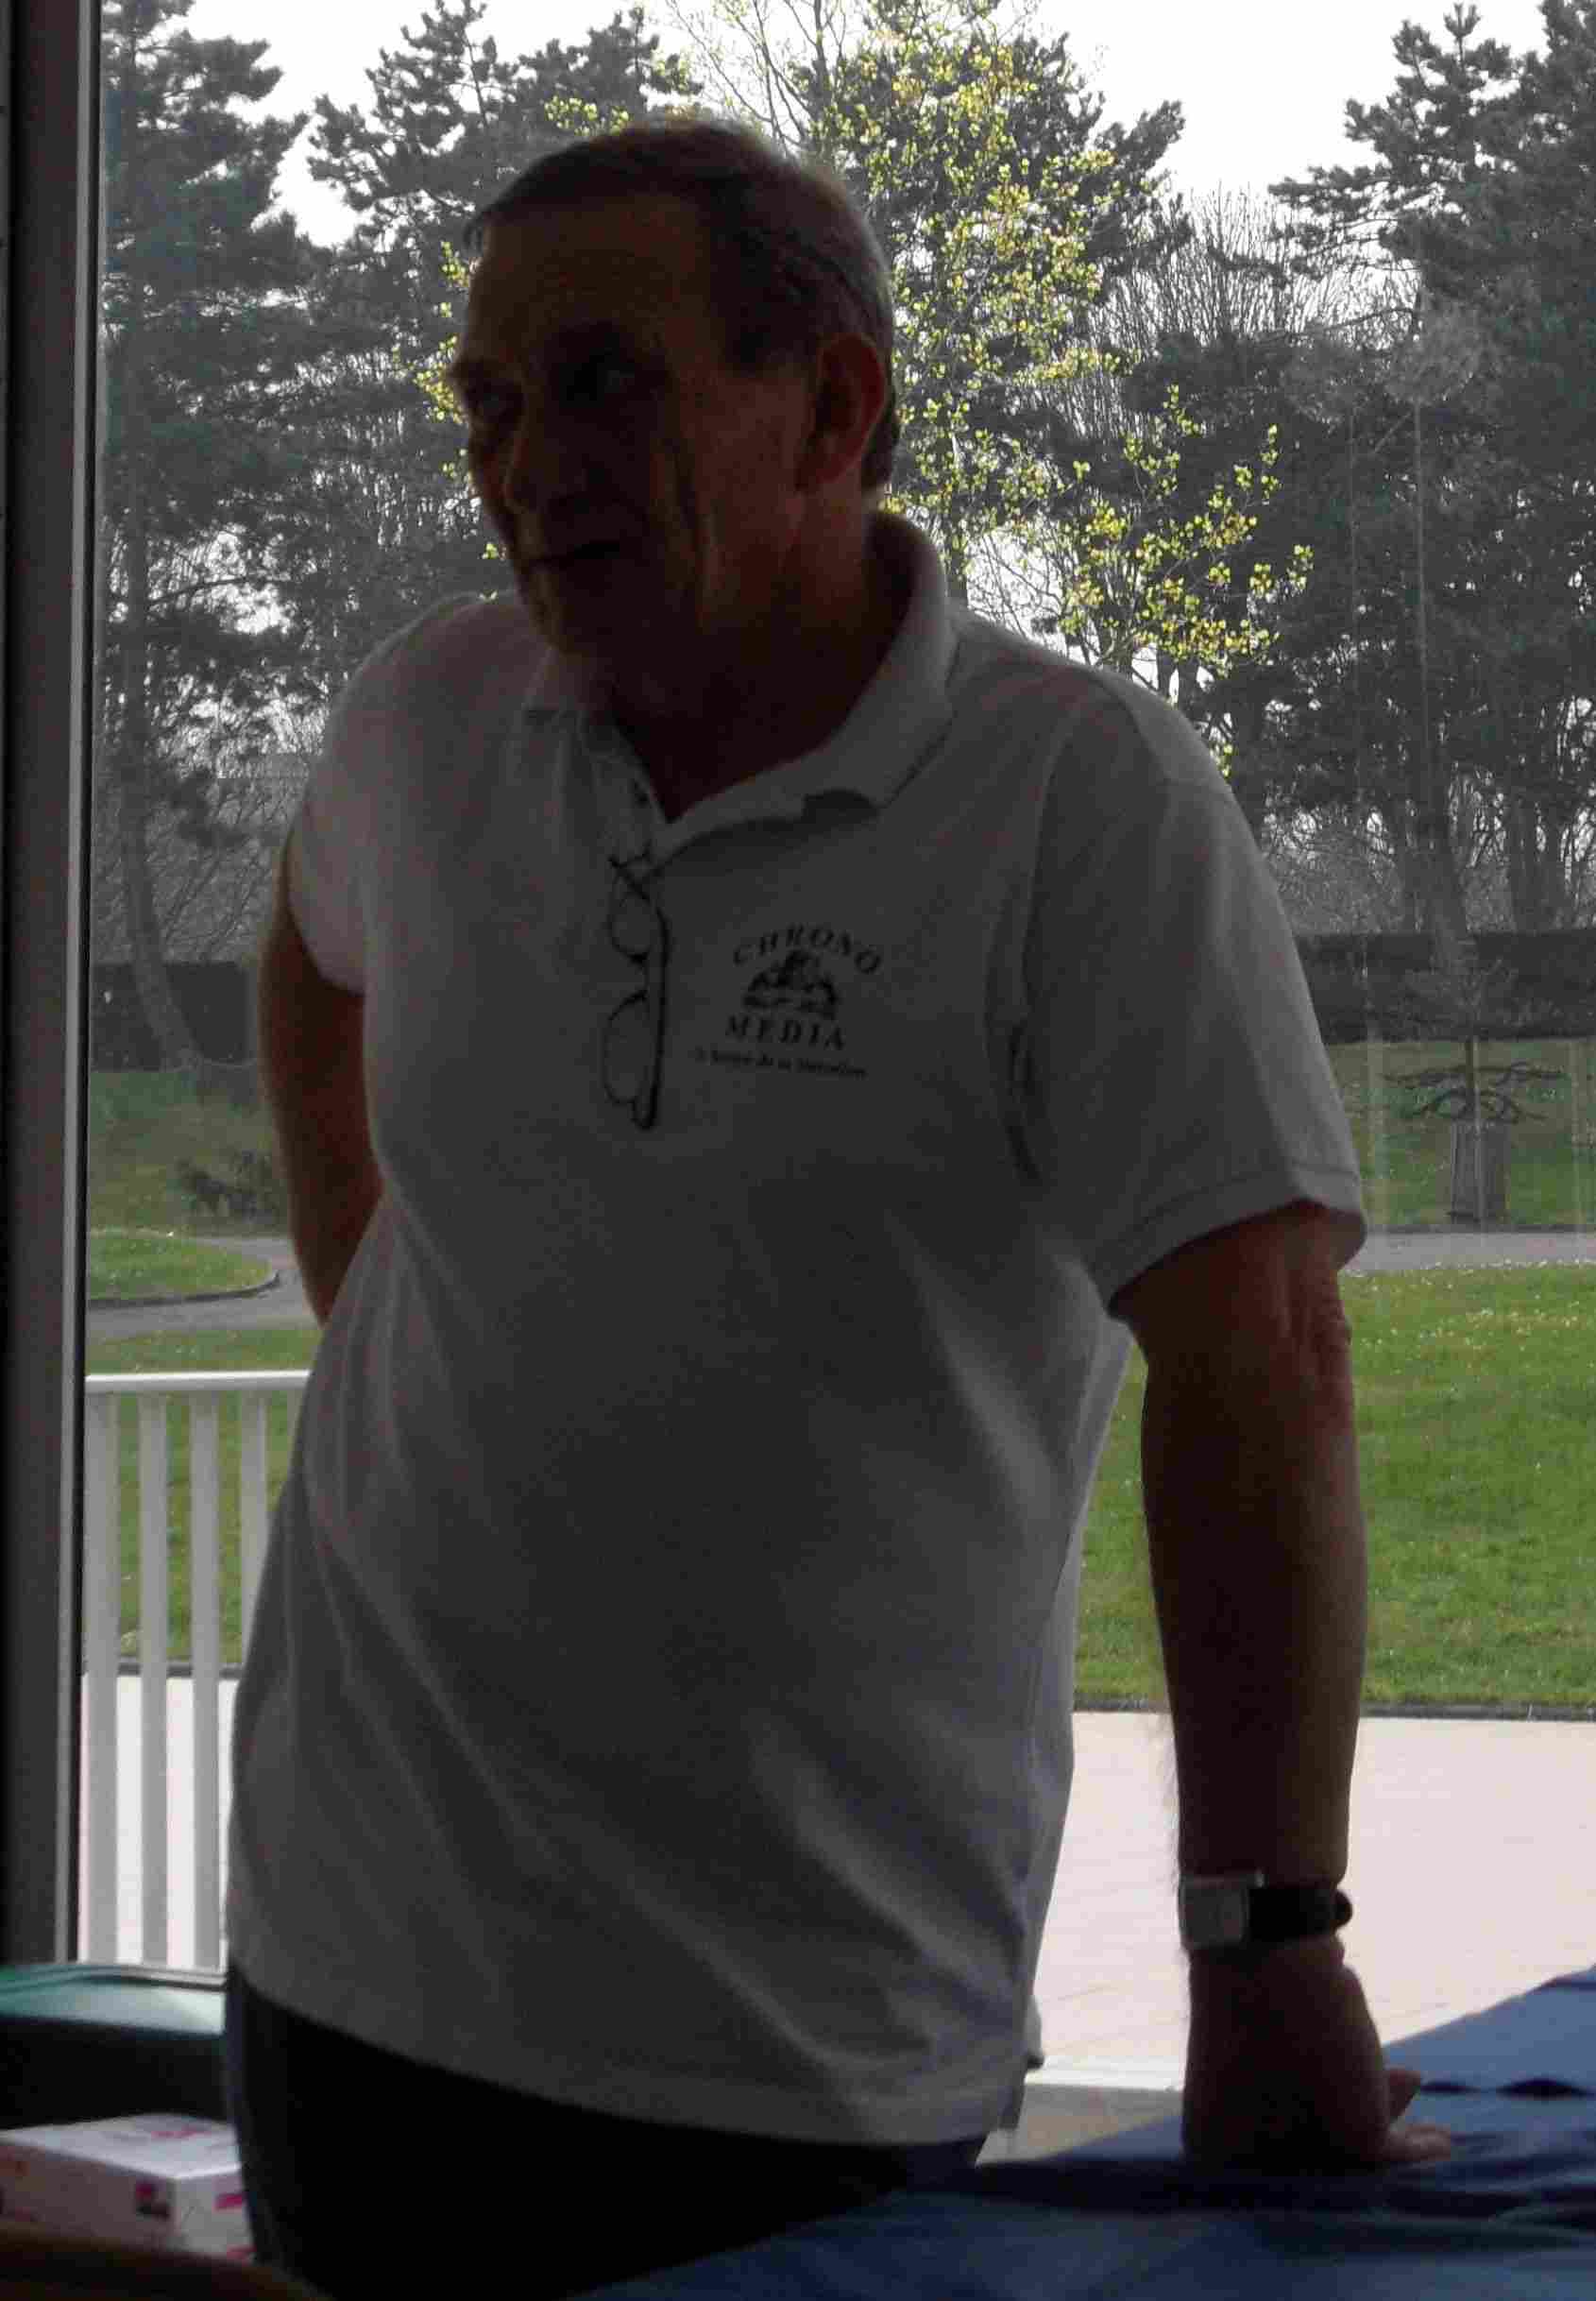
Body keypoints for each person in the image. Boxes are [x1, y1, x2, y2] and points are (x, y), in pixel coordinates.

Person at [223, 111, 1451, 2299]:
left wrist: (1265, 1946)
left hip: (798, 2048)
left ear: (832, 403)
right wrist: (372, 1295)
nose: (526, 467)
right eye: (487, 406)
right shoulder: (426, 722)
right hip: (346, 1980)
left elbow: (1258, 1364)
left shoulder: (1075, 802)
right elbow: (312, 966)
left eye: (601, 383)